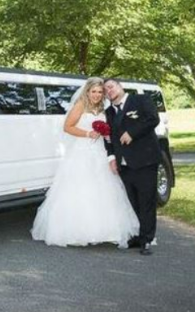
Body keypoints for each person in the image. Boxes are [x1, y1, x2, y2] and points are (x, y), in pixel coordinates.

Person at [31, 77, 139, 248]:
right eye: (93, 91)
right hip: (82, 152)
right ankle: (77, 231)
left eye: (100, 92)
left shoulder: (105, 108)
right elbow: (68, 127)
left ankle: (106, 231)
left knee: (104, 189)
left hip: (101, 152)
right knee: (81, 188)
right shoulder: (80, 105)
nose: (97, 95)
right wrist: (88, 134)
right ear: (87, 91)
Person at [104, 77, 161, 255]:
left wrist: (132, 133)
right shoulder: (109, 112)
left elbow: (153, 119)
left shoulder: (140, 100)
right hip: (124, 165)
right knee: (132, 202)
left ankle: (147, 240)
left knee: (147, 201)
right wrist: (112, 157)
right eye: (106, 90)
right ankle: (137, 235)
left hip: (145, 160)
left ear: (120, 87)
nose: (109, 91)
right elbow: (110, 138)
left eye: (111, 87)